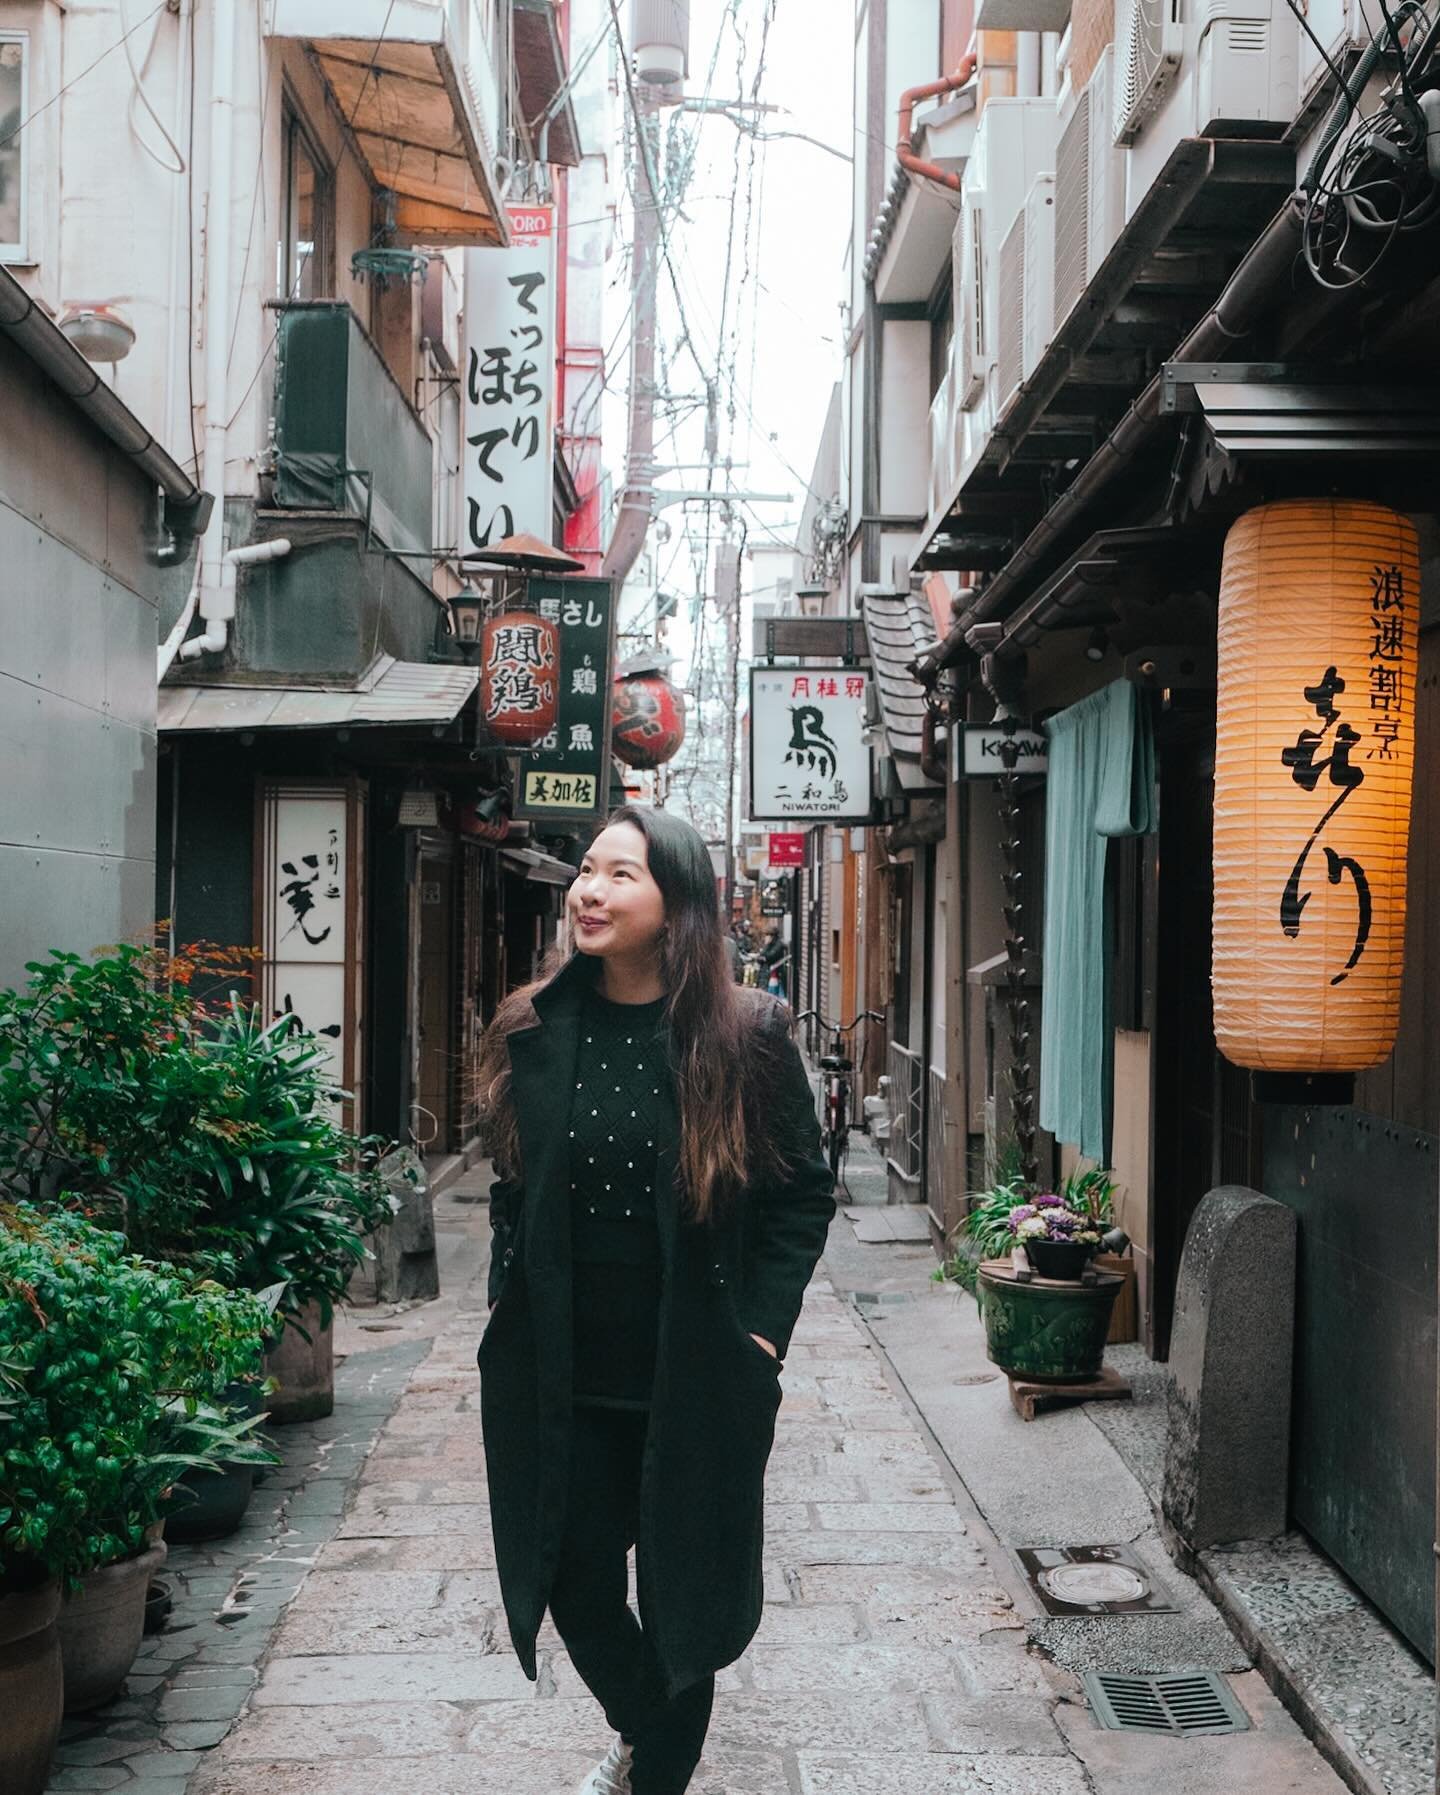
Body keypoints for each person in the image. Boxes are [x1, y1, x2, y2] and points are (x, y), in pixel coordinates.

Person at [475, 804, 835, 1795]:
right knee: (570, 1577)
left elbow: (803, 1192)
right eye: (587, 870)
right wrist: (508, 1290)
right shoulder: (533, 1028)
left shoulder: (746, 1035)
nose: (590, 889)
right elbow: (514, 1188)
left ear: (677, 904)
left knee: (682, 1608)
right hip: (565, 1371)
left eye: (619, 874)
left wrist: (760, 1335)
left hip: (693, 1372)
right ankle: (652, 1736)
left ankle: (653, 1774)